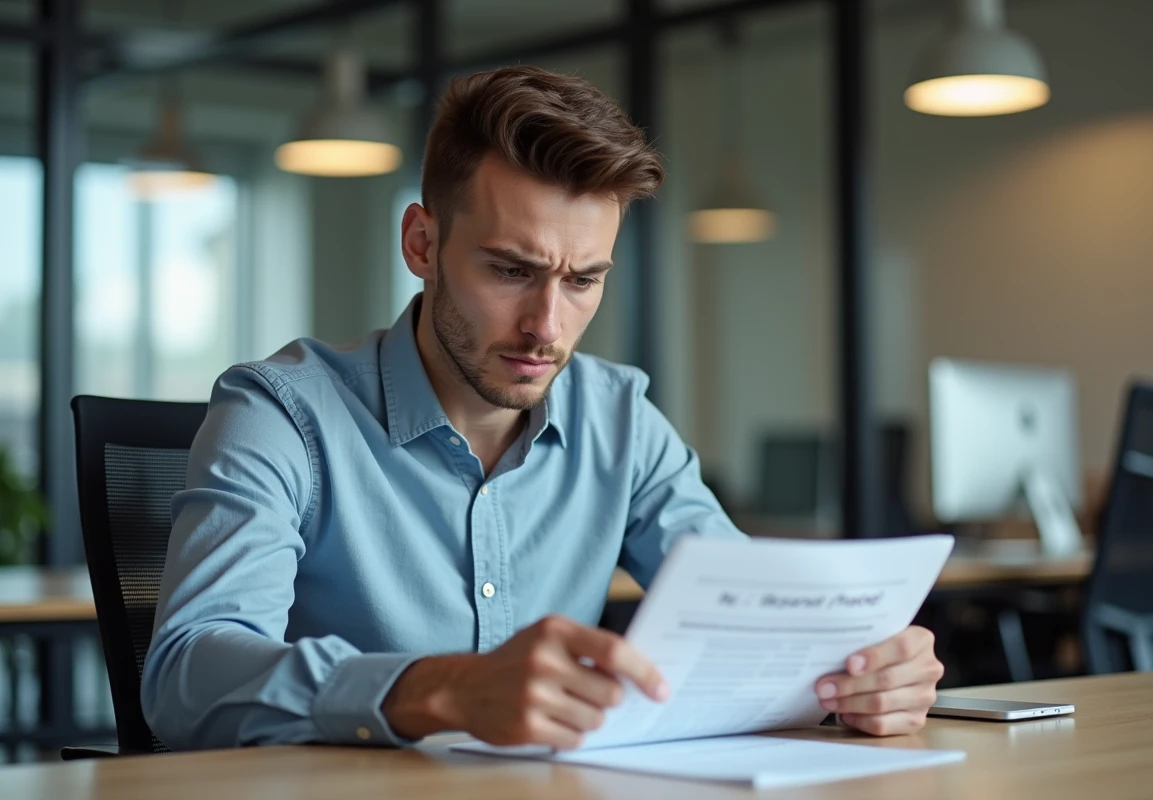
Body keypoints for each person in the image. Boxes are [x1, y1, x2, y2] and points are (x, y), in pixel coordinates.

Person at [142, 66, 943, 752]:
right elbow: (185, 675)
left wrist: (863, 676)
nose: (546, 328)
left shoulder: (620, 419)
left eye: (584, 280)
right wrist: (440, 691)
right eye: (511, 271)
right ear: (422, 244)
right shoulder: (282, 413)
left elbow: (751, 620)